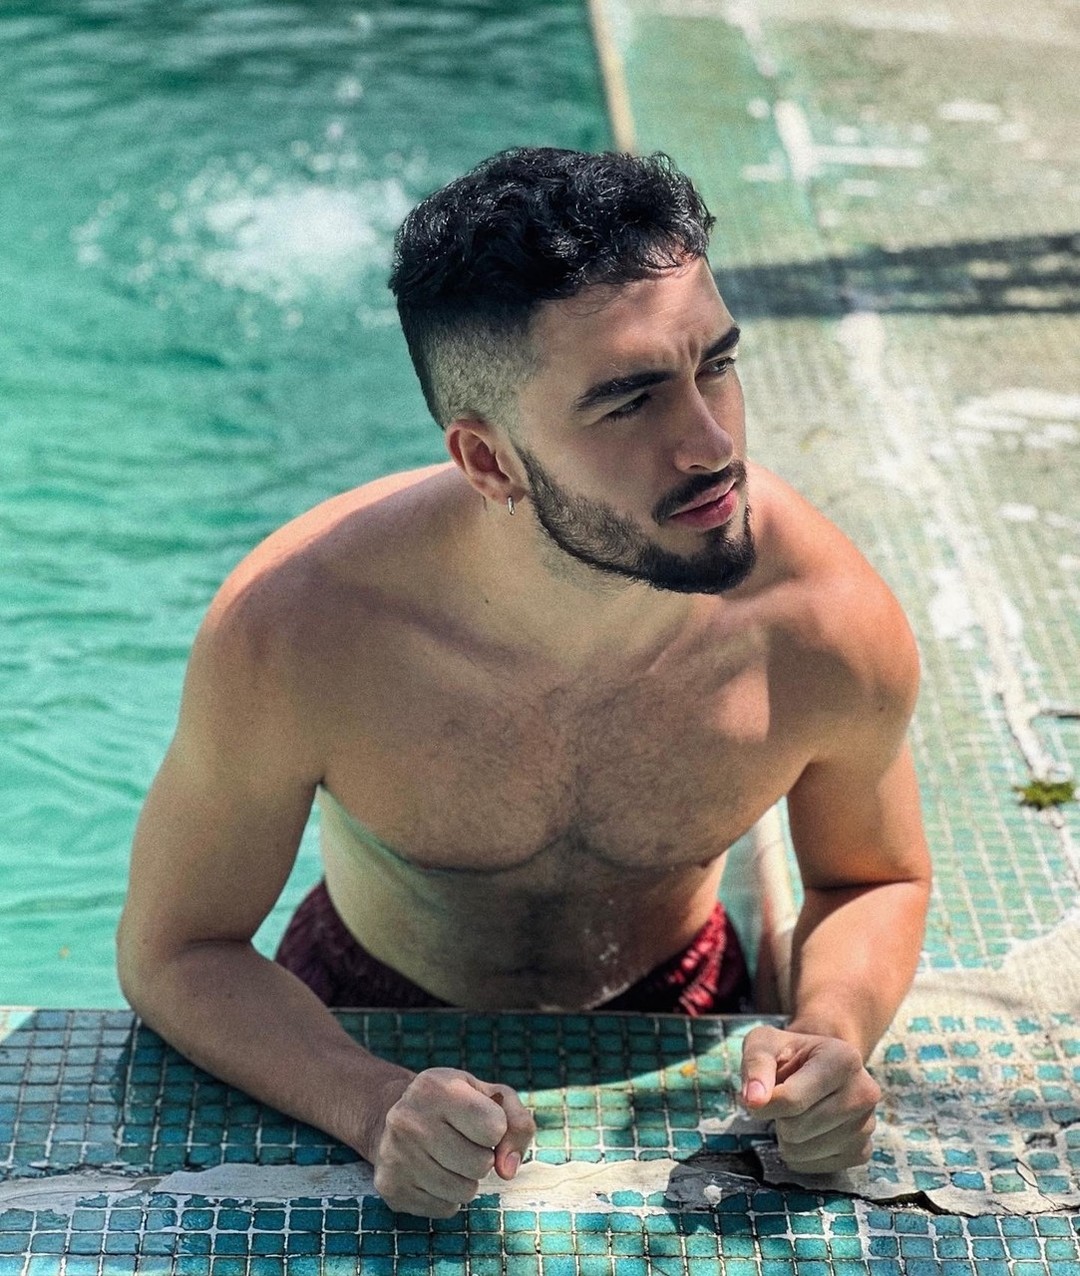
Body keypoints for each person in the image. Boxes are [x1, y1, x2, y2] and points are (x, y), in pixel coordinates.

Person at [117, 147, 931, 1218]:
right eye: (630, 401)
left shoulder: (822, 619)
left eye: (716, 364)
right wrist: (369, 1101)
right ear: (489, 461)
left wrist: (829, 1035)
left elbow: (872, 878)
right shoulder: (302, 632)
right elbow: (178, 948)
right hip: (364, 1013)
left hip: (689, 1016)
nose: (711, 443)